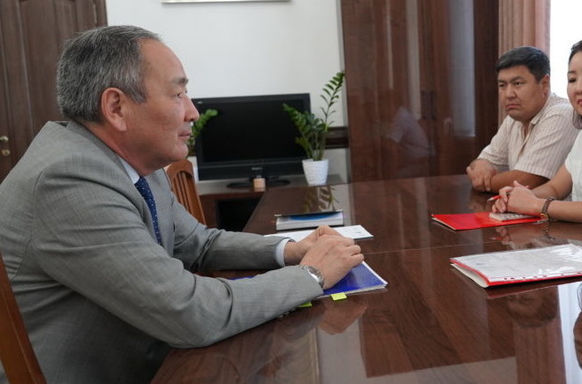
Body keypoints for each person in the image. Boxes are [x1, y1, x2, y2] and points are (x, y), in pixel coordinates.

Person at [0, 25, 363, 383]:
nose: (193, 112)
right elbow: (191, 314)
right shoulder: (68, 180)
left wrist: (289, 251)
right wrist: (312, 275)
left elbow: (197, 243)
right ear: (116, 107)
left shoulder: (130, 160)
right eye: (178, 95)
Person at [492, 37, 582, 223]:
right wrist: (518, 197)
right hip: (579, 238)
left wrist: (537, 205)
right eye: (572, 79)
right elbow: (555, 188)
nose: (579, 88)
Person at [467, 46, 578, 193]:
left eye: (517, 84)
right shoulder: (513, 118)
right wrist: (481, 166)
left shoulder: (562, 114)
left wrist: (482, 181)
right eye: (502, 85)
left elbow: (527, 180)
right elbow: (483, 162)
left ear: (544, 84)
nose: (508, 94)